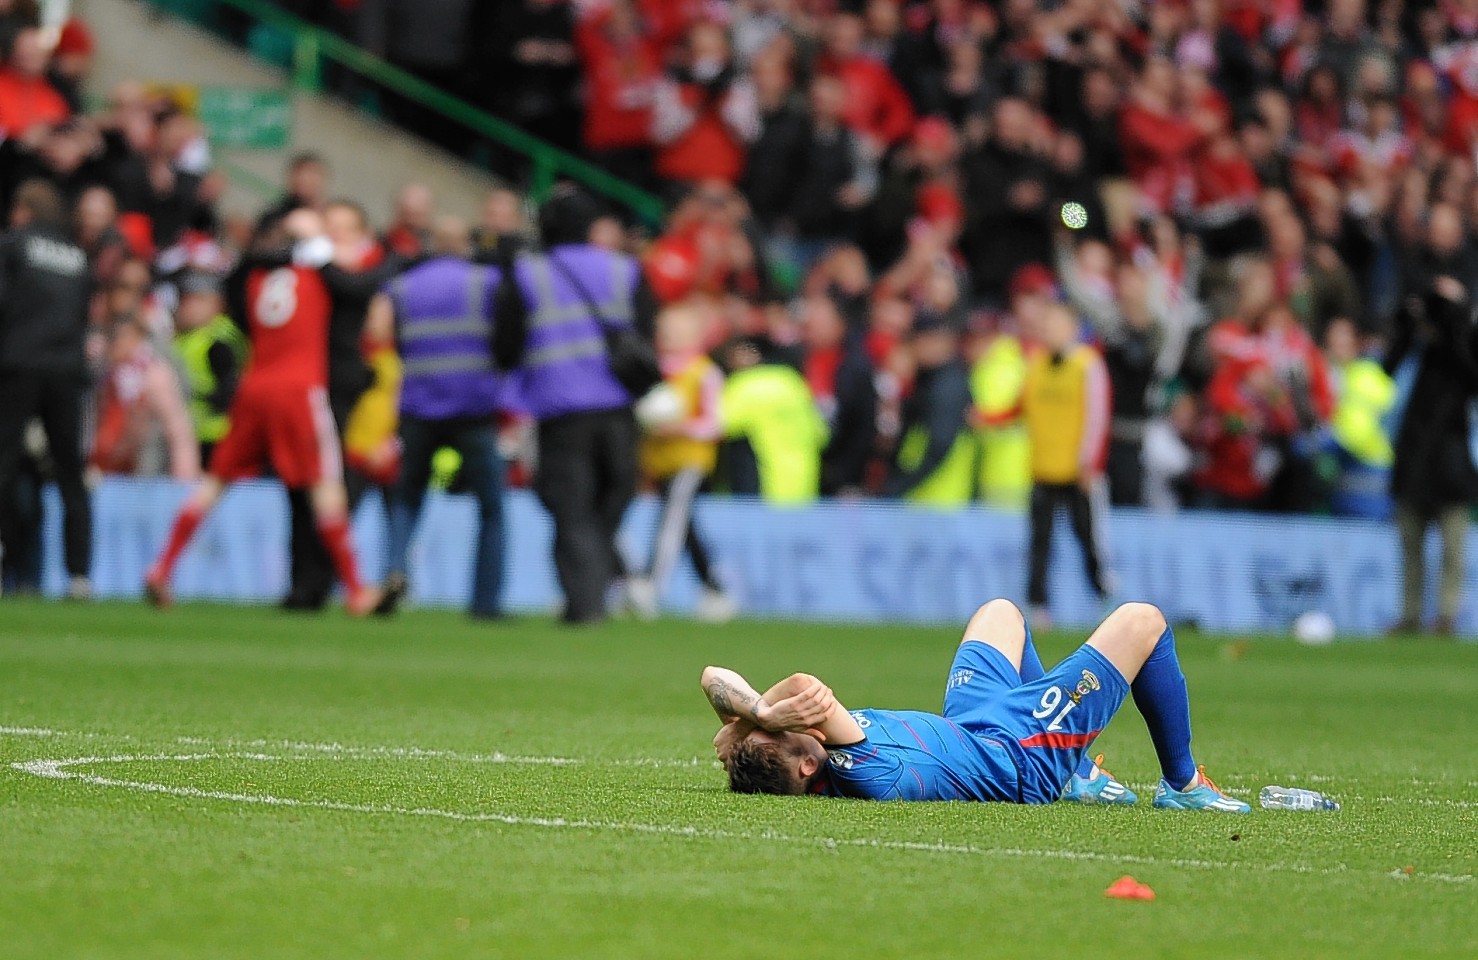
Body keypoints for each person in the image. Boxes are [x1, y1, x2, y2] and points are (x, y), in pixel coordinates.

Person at [704, 598, 1250, 812]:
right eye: (785, 729)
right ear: (807, 763)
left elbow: (712, 677)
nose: (782, 716)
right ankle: (1182, 786)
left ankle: (1080, 775)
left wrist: (754, 718)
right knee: (1142, 622)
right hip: (1020, 757)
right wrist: (763, 713)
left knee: (1001, 613)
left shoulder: (810, 752)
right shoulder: (860, 770)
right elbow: (801, 682)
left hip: (972, 726)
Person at [144, 210, 377, 615]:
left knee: (215, 482)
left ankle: (163, 567)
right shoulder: (318, 275)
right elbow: (357, 285)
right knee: (325, 483)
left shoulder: (256, 278)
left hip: (256, 384)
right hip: (299, 388)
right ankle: (357, 589)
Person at [494, 186, 656, 625]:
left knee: (570, 506)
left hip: (559, 409)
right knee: (613, 497)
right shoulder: (626, 269)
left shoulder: (528, 274)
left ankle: (584, 601)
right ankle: (590, 589)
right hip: (619, 409)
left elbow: (505, 343)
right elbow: (648, 332)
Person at [366, 215, 506, 620]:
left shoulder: (403, 286)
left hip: (420, 402)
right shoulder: (488, 282)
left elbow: (380, 333)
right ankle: (485, 603)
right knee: (491, 507)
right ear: (467, 242)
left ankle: (394, 570)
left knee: (407, 496)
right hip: (474, 405)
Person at [0, 180, 94, 599]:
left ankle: (5, 557)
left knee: (2, 464)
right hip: (66, 370)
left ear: (23, 210)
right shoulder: (77, 255)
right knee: (70, 472)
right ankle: (79, 575)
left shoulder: (14, 244)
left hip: (18, 364)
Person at [626, 301, 734, 623]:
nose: (669, 337)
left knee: (671, 520)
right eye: (664, 331)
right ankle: (714, 590)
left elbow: (715, 423)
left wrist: (678, 427)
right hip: (659, 461)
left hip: (691, 461)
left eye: (677, 332)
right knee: (684, 527)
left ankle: (649, 586)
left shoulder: (705, 373)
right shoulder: (653, 369)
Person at [1384, 277, 1478, 635]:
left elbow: (1472, 375)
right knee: (1411, 544)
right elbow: (1388, 365)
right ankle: (1410, 615)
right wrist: (1413, 322)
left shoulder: (1464, 344)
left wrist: (1457, 321)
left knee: (1453, 547)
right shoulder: (1418, 348)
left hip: (1450, 460)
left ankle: (1446, 616)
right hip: (1414, 456)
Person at [1022, 303, 1114, 630]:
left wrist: (1090, 464)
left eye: (1055, 323)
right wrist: (987, 417)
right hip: (1043, 469)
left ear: (1073, 328)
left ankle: (1104, 598)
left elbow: (1098, 416)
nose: (1048, 330)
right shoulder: (1036, 363)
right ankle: (1037, 608)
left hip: (1077, 472)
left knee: (1088, 539)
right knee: (1039, 543)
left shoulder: (1087, 365)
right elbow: (1022, 406)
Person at [172, 269, 245, 468]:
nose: (187, 307)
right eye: (184, 300)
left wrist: (201, 397)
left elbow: (231, 388)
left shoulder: (218, 341)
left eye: (197, 300)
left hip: (217, 435)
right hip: (193, 434)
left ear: (217, 304)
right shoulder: (188, 336)